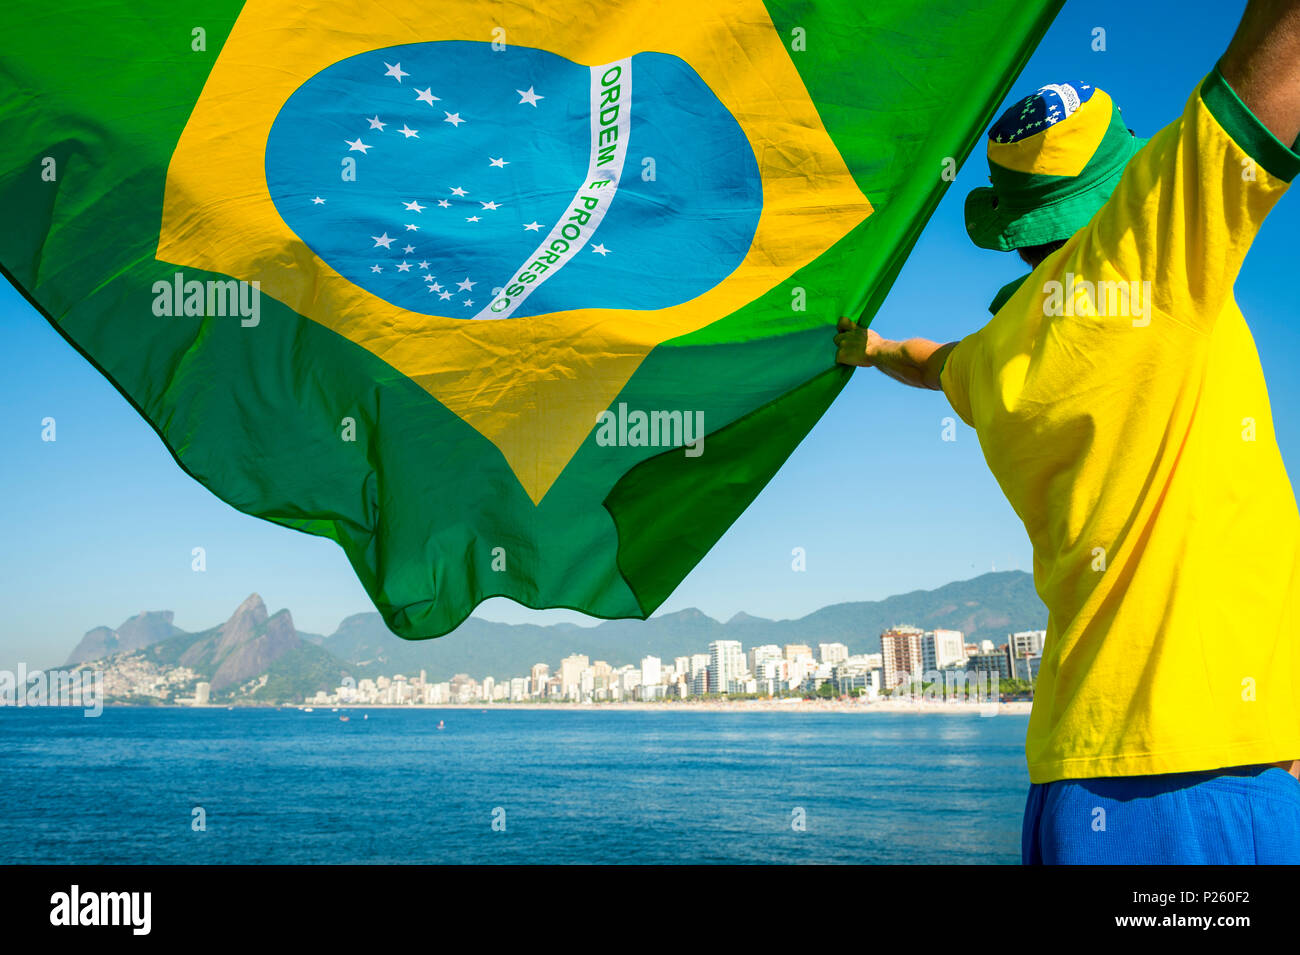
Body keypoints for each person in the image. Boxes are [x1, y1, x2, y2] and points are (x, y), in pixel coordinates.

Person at [835, 0, 1300, 864]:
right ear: (1118, 182)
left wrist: (869, 348)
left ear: (1017, 233)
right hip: (1203, 775)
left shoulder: (997, 358)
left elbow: (928, 360)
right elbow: (1274, 68)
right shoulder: (1150, 253)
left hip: (1068, 785)